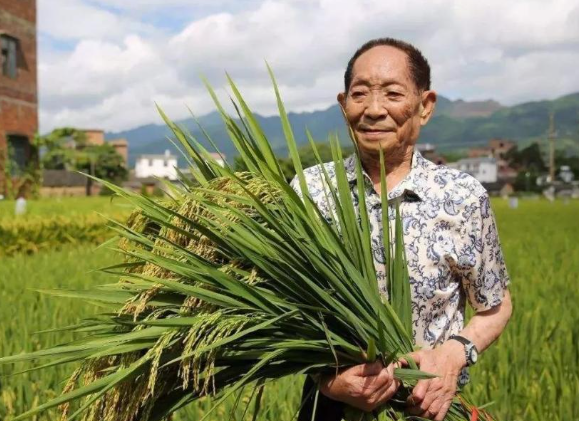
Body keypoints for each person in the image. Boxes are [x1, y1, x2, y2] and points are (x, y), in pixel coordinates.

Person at [293, 38, 512, 421]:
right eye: (360, 94)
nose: (374, 110)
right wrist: (329, 380)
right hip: (329, 408)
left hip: (430, 408)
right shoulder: (311, 192)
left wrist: (453, 354)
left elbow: (494, 306)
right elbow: (287, 306)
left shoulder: (462, 196)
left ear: (425, 107)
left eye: (393, 94)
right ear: (344, 105)